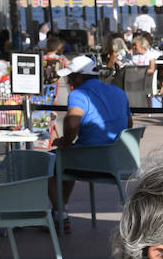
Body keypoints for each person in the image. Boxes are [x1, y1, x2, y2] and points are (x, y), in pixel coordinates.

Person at [50, 55, 133, 228]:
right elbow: (129, 125)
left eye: (69, 77)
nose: (68, 81)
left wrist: (64, 141)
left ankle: (60, 214)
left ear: (79, 77)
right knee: (67, 159)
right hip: (121, 160)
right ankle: (62, 209)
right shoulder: (118, 92)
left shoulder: (79, 94)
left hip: (93, 162)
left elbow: (72, 122)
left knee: (50, 163)